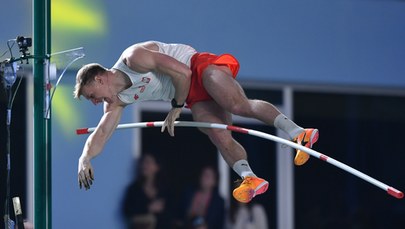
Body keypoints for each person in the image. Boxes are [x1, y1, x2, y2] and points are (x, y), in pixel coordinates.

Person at [74, 40, 319, 203]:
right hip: (189, 94)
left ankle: (298, 132)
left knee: (238, 105)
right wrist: (85, 157)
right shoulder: (115, 101)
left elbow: (183, 72)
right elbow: (103, 132)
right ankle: (249, 177)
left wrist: (176, 107)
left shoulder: (133, 58)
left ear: (99, 79)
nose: (95, 102)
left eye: (92, 96)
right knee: (218, 134)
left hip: (197, 67)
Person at [121, 153, 170, 229]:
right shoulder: (134, 189)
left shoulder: (164, 189)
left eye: (148, 162)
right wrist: (148, 208)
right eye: (143, 162)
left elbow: (172, 214)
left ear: (157, 167)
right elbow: (127, 211)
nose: (144, 165)